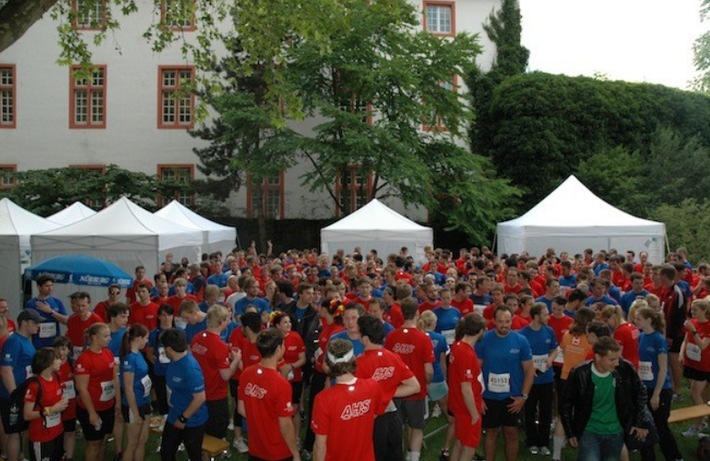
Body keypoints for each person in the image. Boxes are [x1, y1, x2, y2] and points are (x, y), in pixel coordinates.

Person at [561, 337, 651, 461]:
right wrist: (570, 432)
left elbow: (640, 393)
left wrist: (639, 422)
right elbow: (566, 404)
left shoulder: (625, 369)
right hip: (589, 431)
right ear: (598, 357)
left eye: (617, 358)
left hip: (616, 432)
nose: (617, 363)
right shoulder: (579, 373)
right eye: (612, 359)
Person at [355, 315, 420, 461]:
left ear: (365, 338)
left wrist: (382, 393)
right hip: (393, 416)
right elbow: (414, 386)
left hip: (372, 420)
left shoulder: (360, 363)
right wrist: (387, 393)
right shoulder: (393, 357)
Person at [475, 305, 534, 461]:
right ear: (493, 321)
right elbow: (475, 370)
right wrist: (478, 397)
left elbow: (529, 371)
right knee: (491, 433)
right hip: (489, 397)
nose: (504, 325)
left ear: (512, 320)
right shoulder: (483, 340)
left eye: (507, 321)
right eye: (501, 321)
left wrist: (524, 397)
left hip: (513, 398)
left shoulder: (521, 341)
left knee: (512, 433)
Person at [311, 339, 386, 461]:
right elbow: (375, 413)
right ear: (354, 359)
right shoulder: (372, 386)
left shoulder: (323, 399)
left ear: (329, 364)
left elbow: (320, 446)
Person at [238, 329, 301, 461]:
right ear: (279, 348)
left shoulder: (246, 373)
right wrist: (295, 452)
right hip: (277, 451)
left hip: (255, 448)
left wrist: (260, 420)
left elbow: (241, 409)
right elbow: (286, 425)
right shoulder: (281, 384)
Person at [384, 297, 433, 461]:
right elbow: (428, 370)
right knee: (417, 427)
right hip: (416, 391)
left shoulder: (391, 336)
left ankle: (399, 455)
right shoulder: (423, 338)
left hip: (397, 390)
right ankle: (414, 457)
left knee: (399, 427)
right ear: (417, 314)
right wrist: (427, 383)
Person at [634, 307, 683, 460]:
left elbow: (663, 369)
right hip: (644, 388)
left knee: (661, 427)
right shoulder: (640, 337)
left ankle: (674, 456)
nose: (635, 322)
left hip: (660, 389)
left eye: (638, 319)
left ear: (648, 320)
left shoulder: (658, 339)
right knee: (644, 426)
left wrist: (656, 394)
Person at [190, 305, 241, 442]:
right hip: (215, 395)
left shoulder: (197, 338)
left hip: (198, 391)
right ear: (221, 321)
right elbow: (225, 375)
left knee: (201, 425)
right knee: (217, 428)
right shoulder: (218, 345)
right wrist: (236, 361)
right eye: (227, 319)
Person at [303, 300, 345, 458]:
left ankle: (317, 444)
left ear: (327, 310)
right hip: (320, 372)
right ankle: (310, 443)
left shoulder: (337, 331)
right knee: (314, 408)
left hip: (326, 376)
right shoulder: (326, 326)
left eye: (321, 306)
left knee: (321, 410)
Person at [160, 328, 208, 461]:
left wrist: (183, 418)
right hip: (174, 414)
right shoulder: (174, 362)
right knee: (166, 452)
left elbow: (200, 398)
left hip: (191, 420)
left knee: (194, 455)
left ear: (169, 349)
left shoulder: (190, 368)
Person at [75, 323, 121, 461]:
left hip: (108, 406)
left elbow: (115, 379)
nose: (110, 339)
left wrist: (117, 403)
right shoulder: (84, 359)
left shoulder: (108, 353)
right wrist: (92, 413)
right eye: (106, 336)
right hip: (92, 408)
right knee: (94, 443)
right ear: (94, 338)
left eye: (109, 335)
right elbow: (82, 388)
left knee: (104, 440)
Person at [1, 309, 42, 461]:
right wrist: (15, 395)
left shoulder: (26, 340)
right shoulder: (14, 341)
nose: (38, 326)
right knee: (14, 433)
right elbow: (6, 370)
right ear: (24, 322)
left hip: (24, 394)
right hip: (13, 396)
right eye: (35, 322)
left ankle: (20, 456)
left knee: (21, 430)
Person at [518, 303, 558, 456]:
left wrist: (550, 359)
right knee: (529, 411)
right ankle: (531, 441)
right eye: (545, 314)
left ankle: (544, 442)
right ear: (536, 316)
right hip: (530, 381)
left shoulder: (549, 331)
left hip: (547, 379)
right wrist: (529, 369)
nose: (548, 317)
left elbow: (555, 349)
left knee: (546, 412)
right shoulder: (523, 334)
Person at [447, 313, 486, 461]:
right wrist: (474, 414)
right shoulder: (466, 353)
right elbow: (466, 388)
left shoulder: (457, 346)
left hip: (458, 405)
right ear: (480, 331)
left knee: (459, 443)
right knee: (469, 449)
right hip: (467, 408)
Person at [418, 310, 454, 461]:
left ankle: (414, 447)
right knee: (452, 418)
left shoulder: (416, 337)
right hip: (437, 379)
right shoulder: (439, 338)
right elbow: (442, 362)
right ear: (434, 323)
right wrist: (445, 379)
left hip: (419, 380)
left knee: (417, 418)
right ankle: (445, 449)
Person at [23, 347, 68, 461]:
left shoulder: (57, 377)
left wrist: (63, 401)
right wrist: (51, 410)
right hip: (41, 437)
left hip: (58, 432)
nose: (60, 360)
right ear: (48, 363)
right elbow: (27, 415)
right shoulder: (35, 386)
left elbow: (57, 397)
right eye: (57, 358)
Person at [271, 311, 306, 442]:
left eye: (289, 322)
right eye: (285, 322)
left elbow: (303, 359)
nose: (289, 324)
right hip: (277, 379)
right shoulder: (273, 339)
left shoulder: (296, 337)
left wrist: (290, 367)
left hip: (295, 378)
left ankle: (296, 437)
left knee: (294, 408)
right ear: (277, 325)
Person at [119, 324, 151, 461]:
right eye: (146, 338)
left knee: (142, 440)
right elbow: (128, 388)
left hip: (144, 401)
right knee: (132, 443)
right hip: (134, 405)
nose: (147, 341)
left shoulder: (139, 354)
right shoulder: (129, 359)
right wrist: (135, 413)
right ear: (138, 338)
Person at [679, 298, 710, 437]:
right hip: (691, 362)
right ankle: (703, 418)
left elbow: (703, 345)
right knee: (697, 394)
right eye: (691, 309)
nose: (692, 312)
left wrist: (694, 331)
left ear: (704, 311)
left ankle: (698, 425)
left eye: (695, 310)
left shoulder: (708, 326)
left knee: (695, 393)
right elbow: (685, 340)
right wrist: (681, 353)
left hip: (703, 365)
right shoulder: (693, 323)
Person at [145, 304, 174, 427]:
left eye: (169, 315)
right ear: (159, 317)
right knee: (161, 397)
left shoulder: (178, 332)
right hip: (160, 372)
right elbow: (149, 352)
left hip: (174, 373)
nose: (166, 318)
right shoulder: (154, 334)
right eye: (163, 315)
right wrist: (156, 363)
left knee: (174, 398)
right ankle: (164, 420)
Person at [25, 275, 68, 349]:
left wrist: (51, 311)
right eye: (47, 286)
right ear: (39, 287)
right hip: (38, 344)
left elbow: (66, 320)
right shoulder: (31, 304)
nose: (50, 288)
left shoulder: (57, 302)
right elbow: (26, 324)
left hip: (55, 344)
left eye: (51, 285)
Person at [52, 336, 77, 461]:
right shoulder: (50, 365)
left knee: (70, 432)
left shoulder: (73, 364)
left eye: (63, 349)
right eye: (57, 348)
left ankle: (69, 457)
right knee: (56, 434)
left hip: (70, 405)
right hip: (55, 406)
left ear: (69, 350)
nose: (60, 352)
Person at [65, 291, 102, 359]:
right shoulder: (71, 319)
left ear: (89, 304)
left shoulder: (97, 320)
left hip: (90, 354)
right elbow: (69, 337)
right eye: (78, 305)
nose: (81, 309)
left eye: (83, 306)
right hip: (74, 355)